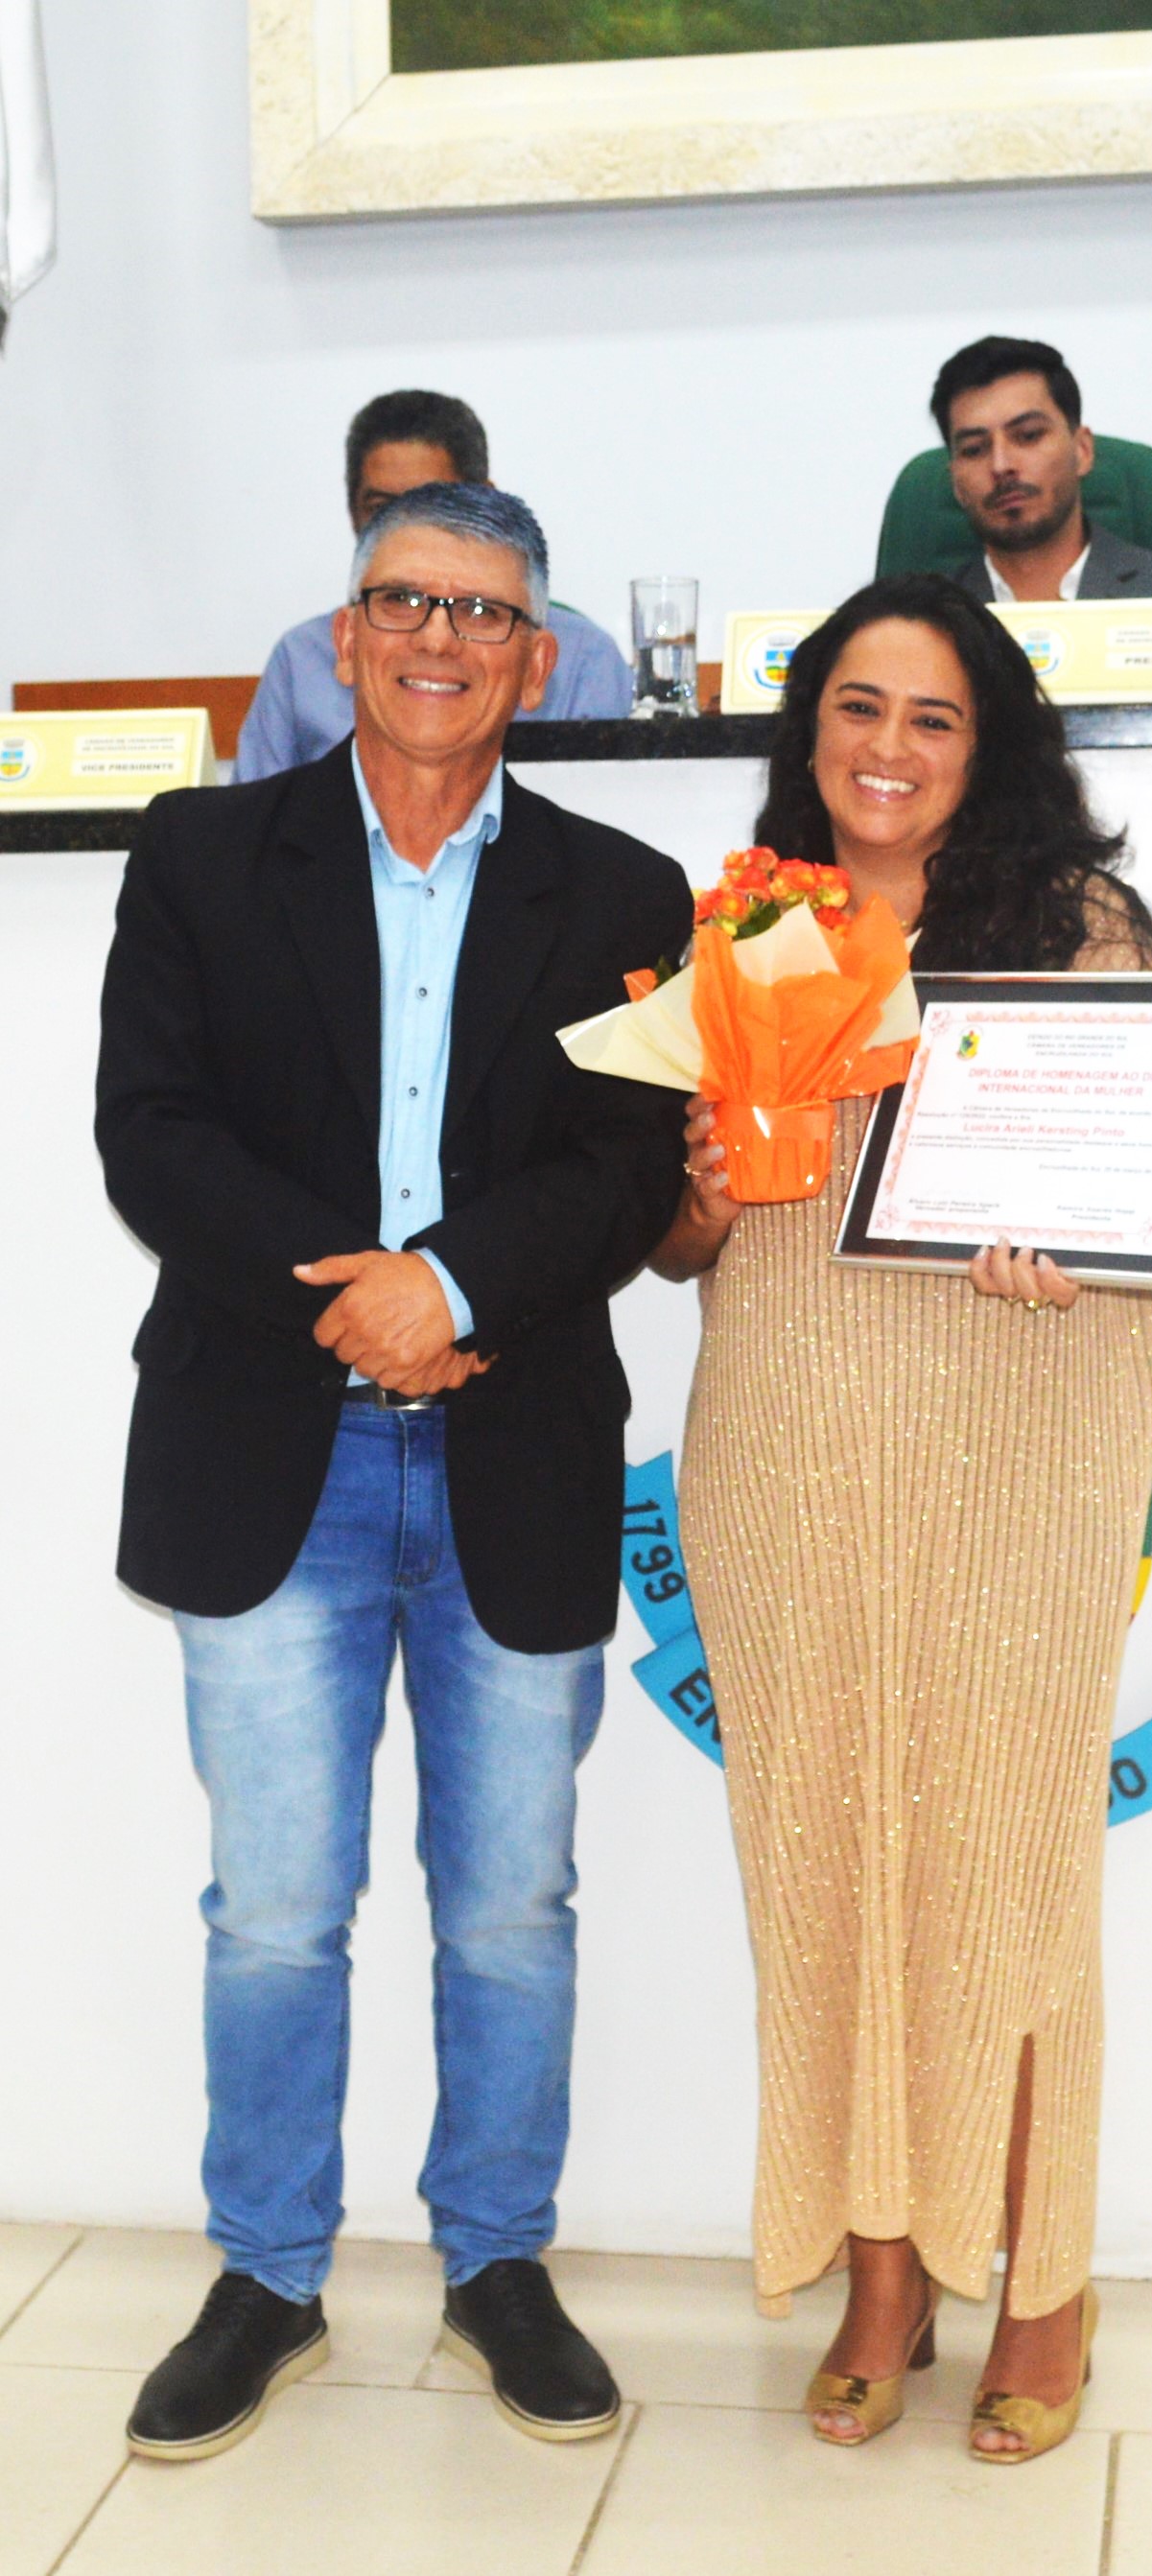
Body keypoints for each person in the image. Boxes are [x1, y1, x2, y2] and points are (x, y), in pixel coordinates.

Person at [97, 481, 692, 2462]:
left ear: (539, 656)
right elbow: (154, 1131)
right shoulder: (201, 854)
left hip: (515, 1447)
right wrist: (362, 1298)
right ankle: (266, 2273)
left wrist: (450, 1285)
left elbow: (625, 1167)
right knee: (275, 1907)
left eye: (484, 612)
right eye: (405, 602)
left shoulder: (624, 893)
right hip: (273, 1453)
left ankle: (494, 2264)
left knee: (511, 1904)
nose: (442, 638)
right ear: (345, 636)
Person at [652, 574, 1152, 2464]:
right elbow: (676, 1243)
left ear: (989, 743)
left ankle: (1041, 2284)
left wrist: (1076, 1248)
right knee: (821, 1871)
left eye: (932, 716)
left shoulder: (1076, 927)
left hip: (1014, 1447)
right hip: (785, 1451)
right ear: (809, 731)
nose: (887, 748)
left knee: (1006, 1877)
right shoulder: (749, 924)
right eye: (857, 708)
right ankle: (881, 2271)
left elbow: (1140, 1196)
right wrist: (703, 1194)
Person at [234, 388, 632, 776]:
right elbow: (256, 815)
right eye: (381, 508)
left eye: (432, 505)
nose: (405, 531)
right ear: (353, 511)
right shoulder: (301, 659)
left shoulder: (582, 660)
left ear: (487, 503)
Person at [930, 334, 1152, 605]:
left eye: (1029, 436)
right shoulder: (924, 623)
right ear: (955, 482)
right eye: (974, 449)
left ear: (1082, 451)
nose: (1001, 465)